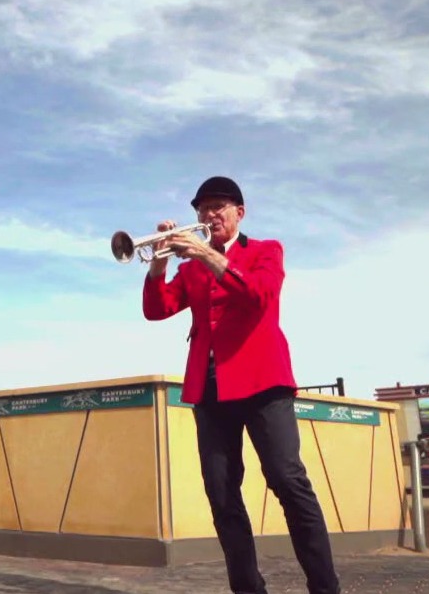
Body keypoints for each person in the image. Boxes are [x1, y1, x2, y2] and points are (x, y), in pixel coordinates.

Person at [141, 176, 340, 594]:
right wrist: (159, 260)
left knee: (287, 480)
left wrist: (204, 254)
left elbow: (259, 295)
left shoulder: (266, 250)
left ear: (239, 213)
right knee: (221, 493)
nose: (209, 214)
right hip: (210, 389)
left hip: (264, 383)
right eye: (202, 208)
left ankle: (325, 588)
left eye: (218, 207)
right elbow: (156, 310)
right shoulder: (191, 268)